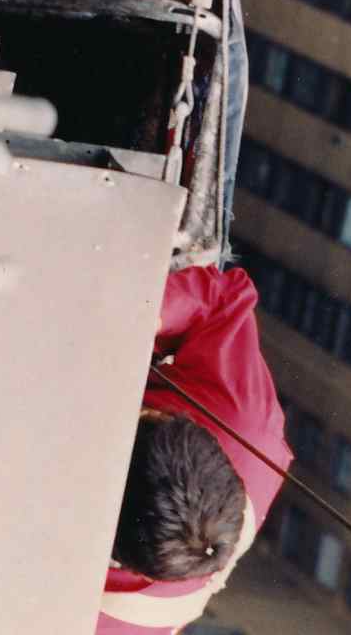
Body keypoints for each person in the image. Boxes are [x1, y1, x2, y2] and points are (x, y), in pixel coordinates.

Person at [98, 263, 292, 632]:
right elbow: (226, 301)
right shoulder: (242, 424)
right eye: (150, 417)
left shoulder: (95, 622)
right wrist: (151, 314)